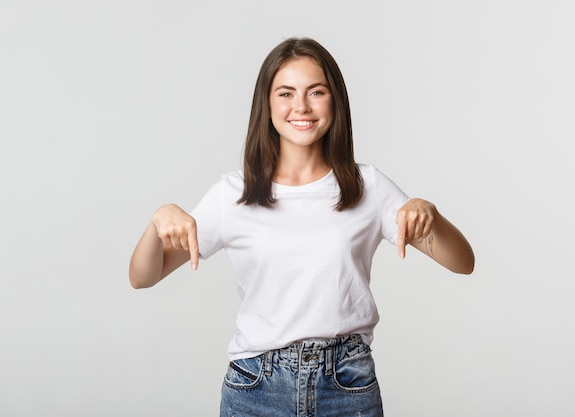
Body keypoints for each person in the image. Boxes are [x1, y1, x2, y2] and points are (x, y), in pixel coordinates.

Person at [129, 37, 474, 417]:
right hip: (256, 388)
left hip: (347, 385)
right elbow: (142, 277)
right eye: (286, 93)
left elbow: (463, 262)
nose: (301, 107)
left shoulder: (367, 187)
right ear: (268, 104)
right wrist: (157, 221)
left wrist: (432, 214)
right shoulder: (233, 195)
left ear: (334, 100)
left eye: (316, 92)